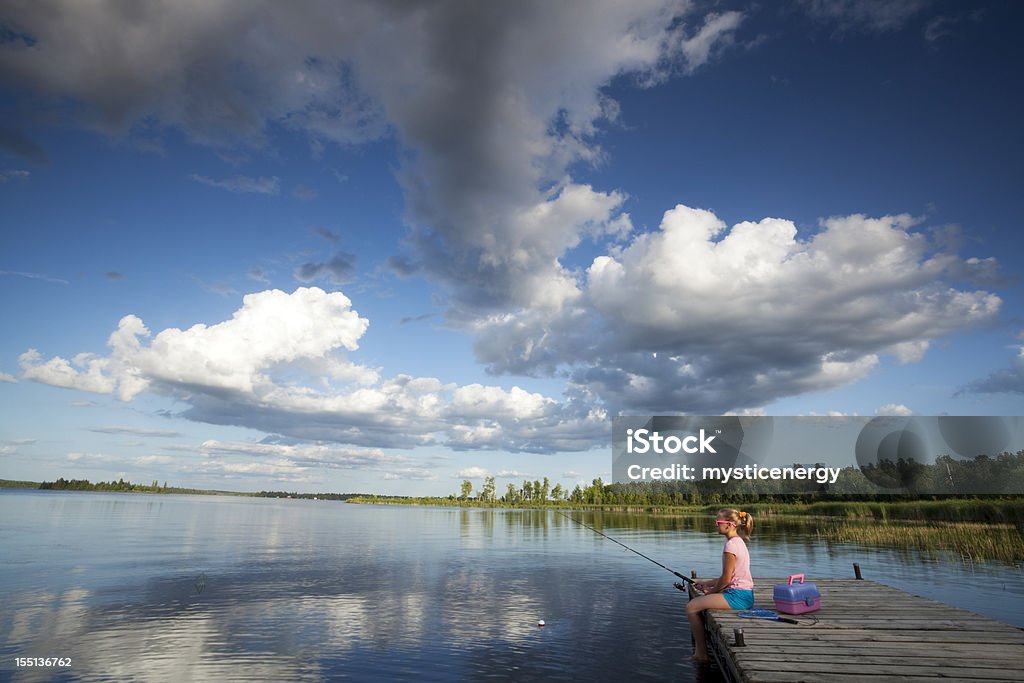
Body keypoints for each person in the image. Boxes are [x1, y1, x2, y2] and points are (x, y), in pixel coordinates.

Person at [679, 508, 755, 664]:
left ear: (729, 524)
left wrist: (710, 592)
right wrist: (706, 584)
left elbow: (726, 579)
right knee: (696, 605)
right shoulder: (738, 542)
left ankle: (701, 654)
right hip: (743, 594)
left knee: (691, 607)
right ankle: (701, 652)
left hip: (738, 597)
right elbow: (729, 576)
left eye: (718, 523)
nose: (716, 525)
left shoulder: (730, 547)